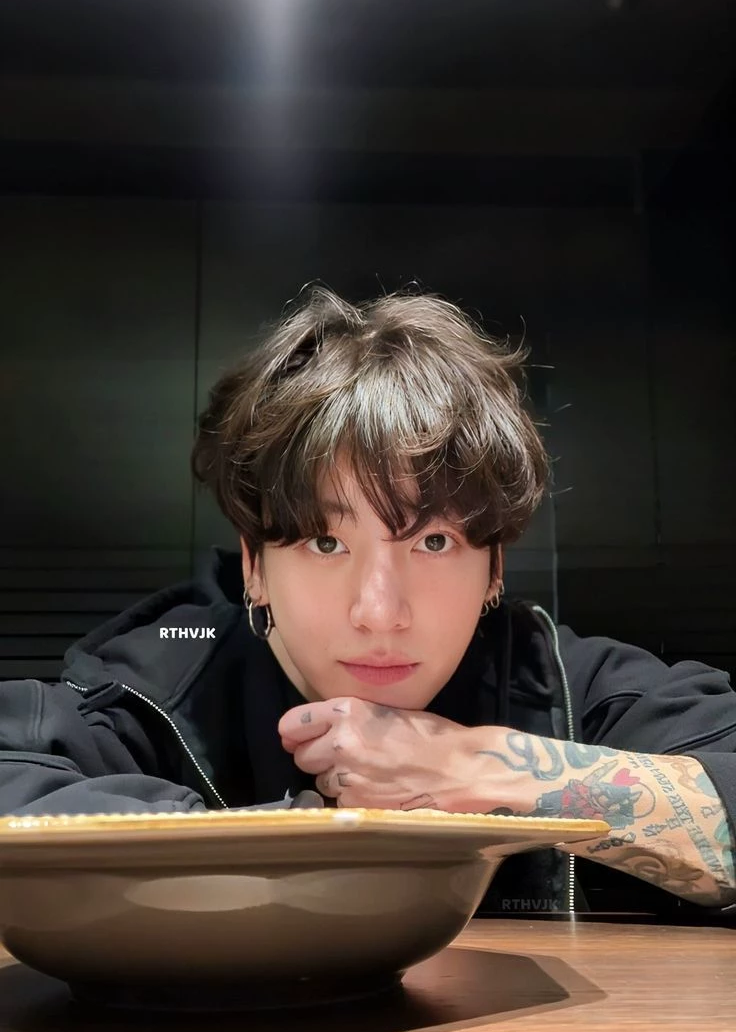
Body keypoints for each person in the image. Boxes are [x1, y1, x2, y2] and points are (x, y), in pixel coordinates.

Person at [1, 287, 735, 920]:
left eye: (435, 542)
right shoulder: (159, 688)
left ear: (495, 568)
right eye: (325, 542)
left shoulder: (570, 685)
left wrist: (474, 767)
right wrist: (312, 839)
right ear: (254, 566)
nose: (380, 613)